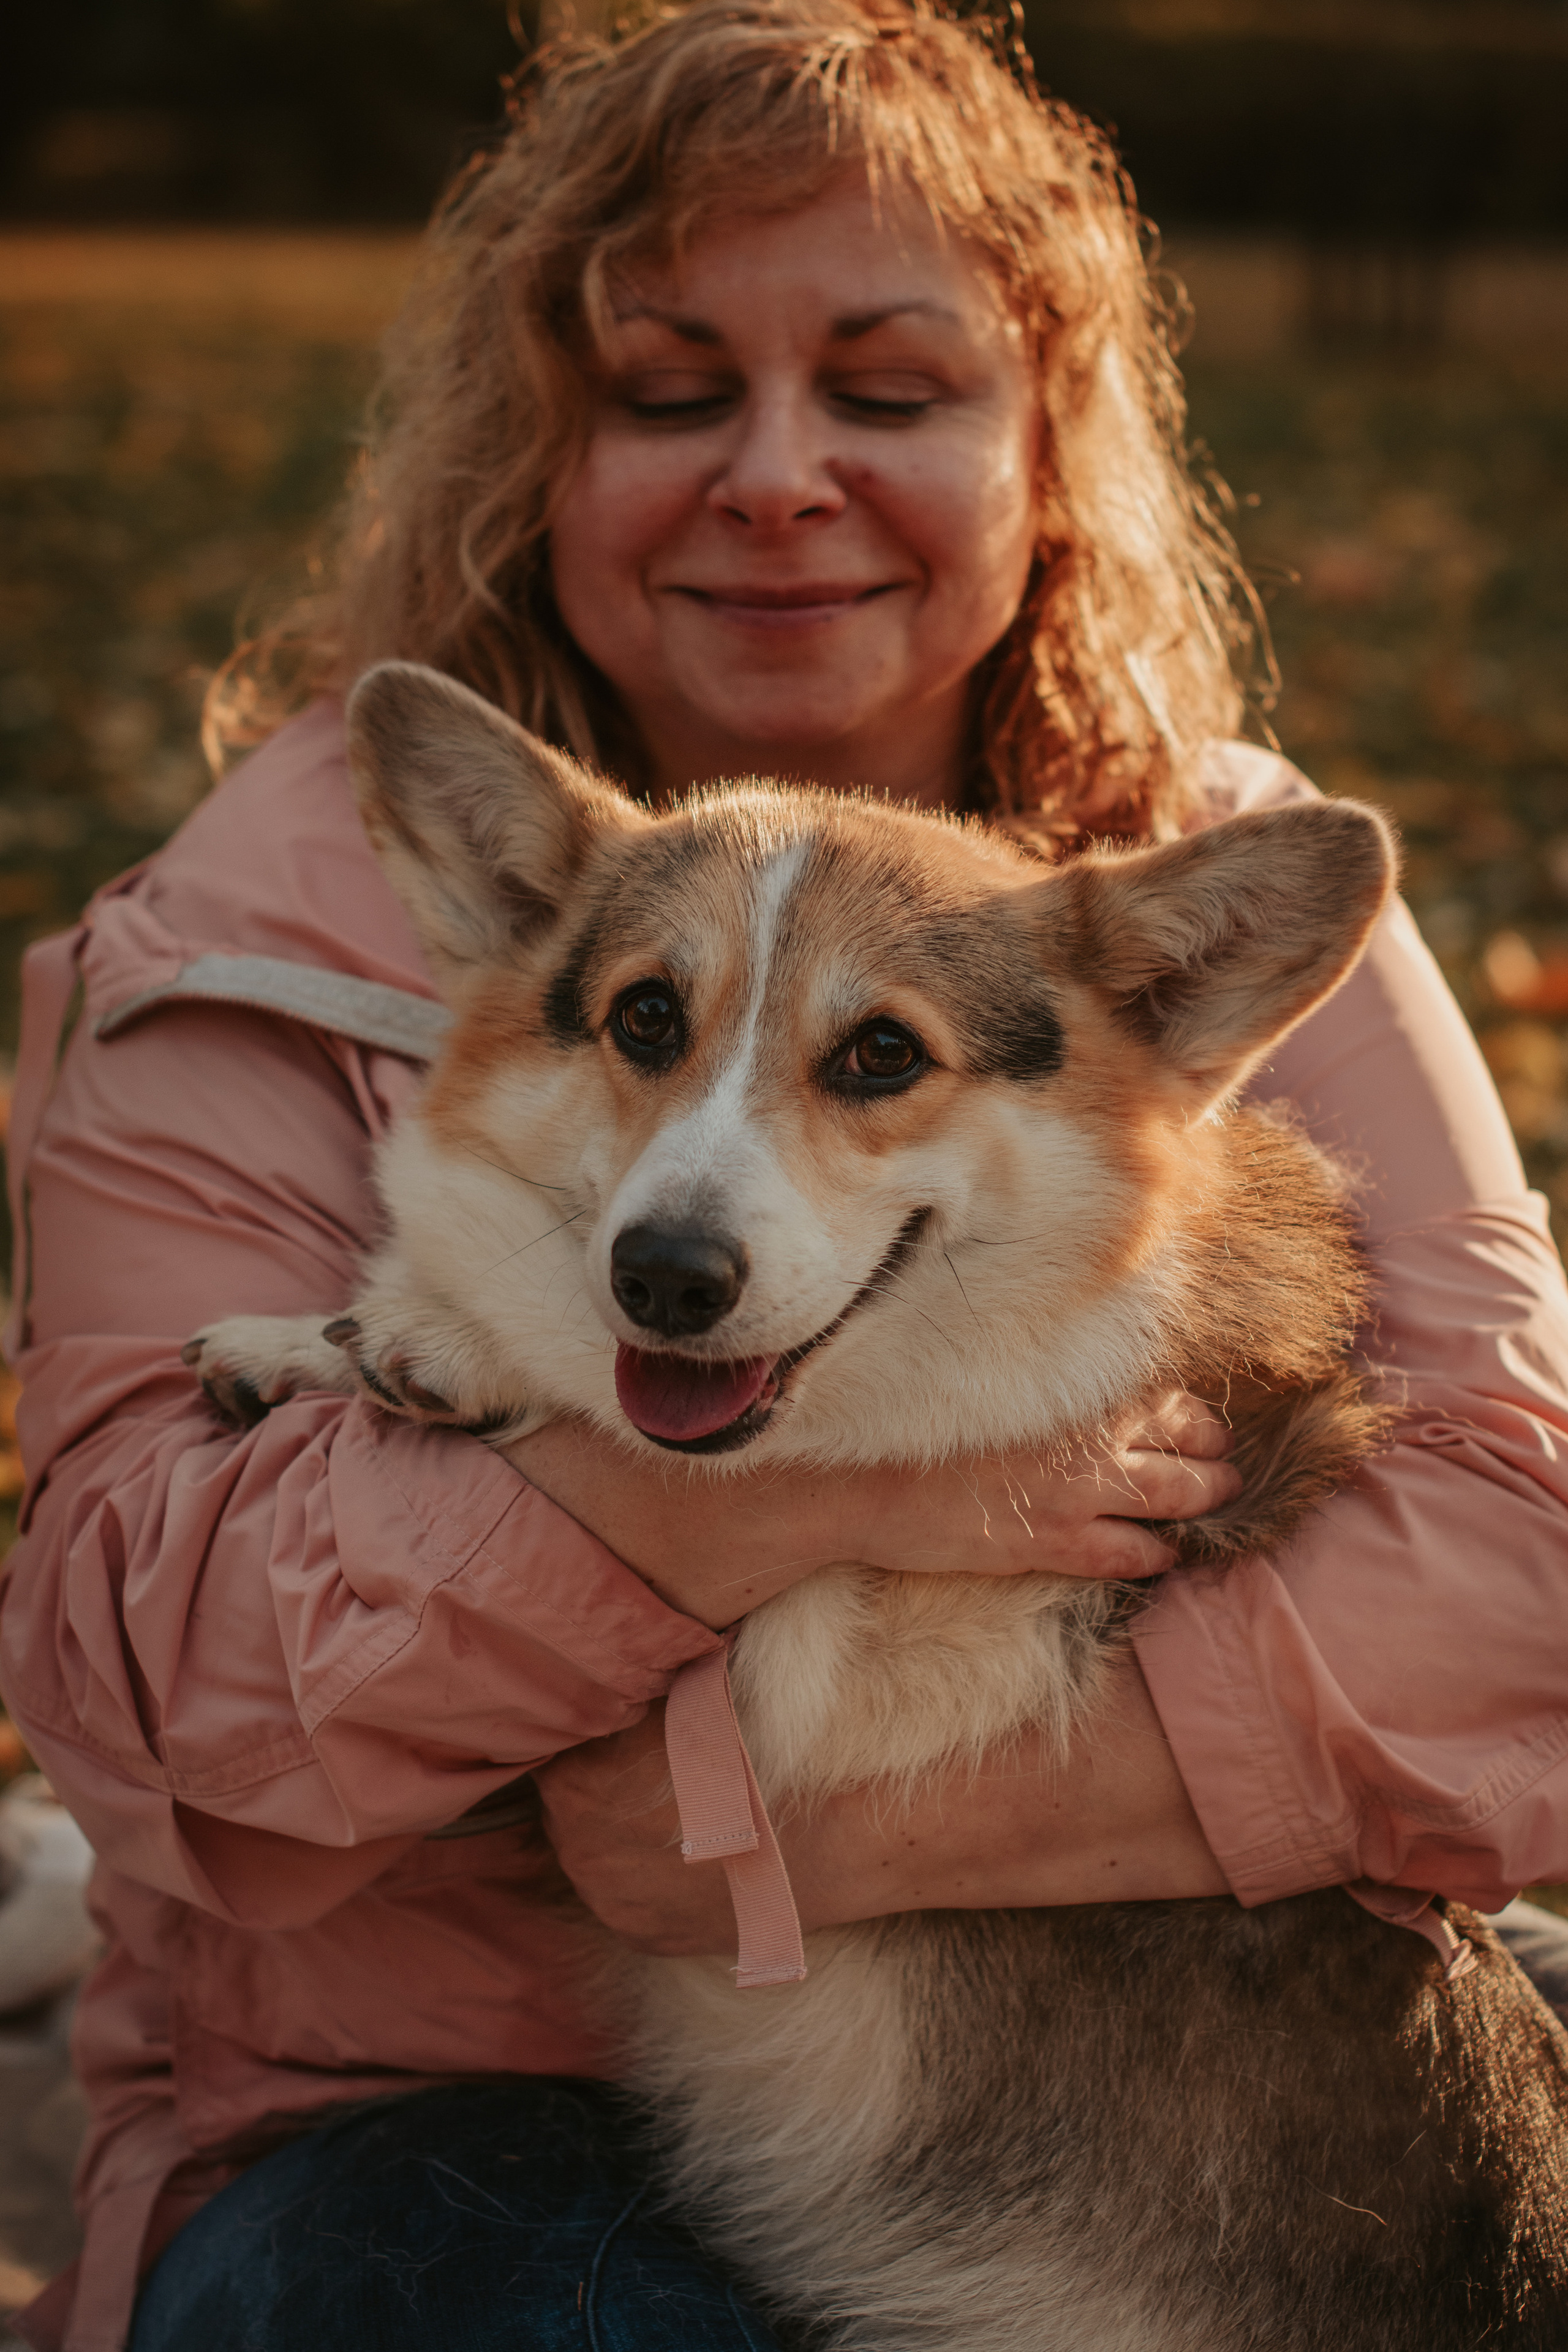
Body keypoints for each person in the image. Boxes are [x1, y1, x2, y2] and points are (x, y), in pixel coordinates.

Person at [4, 2, 1567, 2346]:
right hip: (431, 2112)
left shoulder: (1200, 891)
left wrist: (795, 1830)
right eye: (669, 391)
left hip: (1164, 2135)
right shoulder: (241, 940)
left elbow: (1526, 1562)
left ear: (1049, 447)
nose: (776, 474)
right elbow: (146, 1690)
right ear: (537, 448)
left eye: (889, 385)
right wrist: (753, 1503)